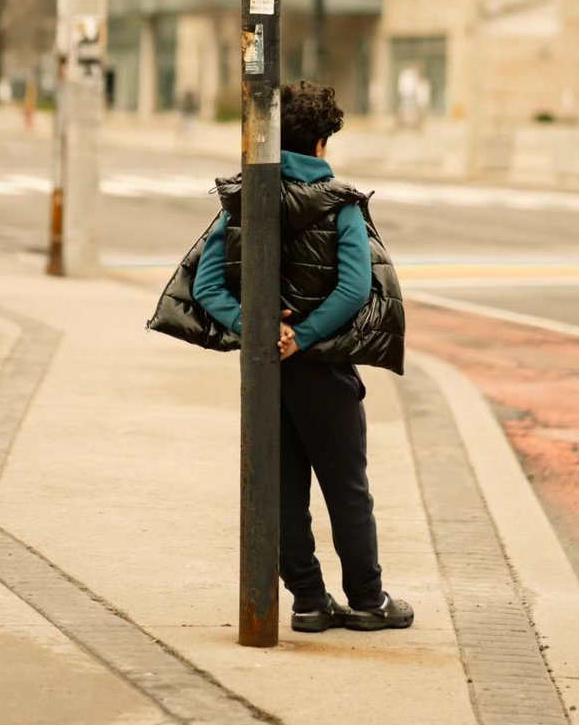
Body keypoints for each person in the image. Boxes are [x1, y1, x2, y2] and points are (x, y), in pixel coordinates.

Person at [148, 81, 411, 634]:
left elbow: (210, 284)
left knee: (284, 489)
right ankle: (367, 599)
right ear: (318, 143)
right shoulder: (338, 204)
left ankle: (309, 601)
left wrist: (258, 328)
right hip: (323, 373)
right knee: (347, 489)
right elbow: (355, 290)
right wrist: (303, 335)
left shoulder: (243, 199)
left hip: (266, 374)